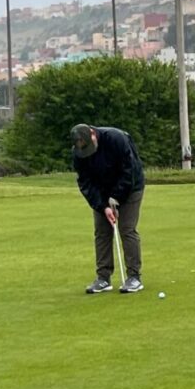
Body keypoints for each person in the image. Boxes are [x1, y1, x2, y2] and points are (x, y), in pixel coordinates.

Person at [71, 124, 145, 294]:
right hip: (102, 191)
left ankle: (134, 277)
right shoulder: (78, 152)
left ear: (92, 134)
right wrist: (103, 206)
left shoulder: (116, 139)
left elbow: (129, 171)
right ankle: (103, 278)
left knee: (126, 228)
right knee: (102, 231)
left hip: (131, 187)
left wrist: (116, 198)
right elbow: (85, 183)